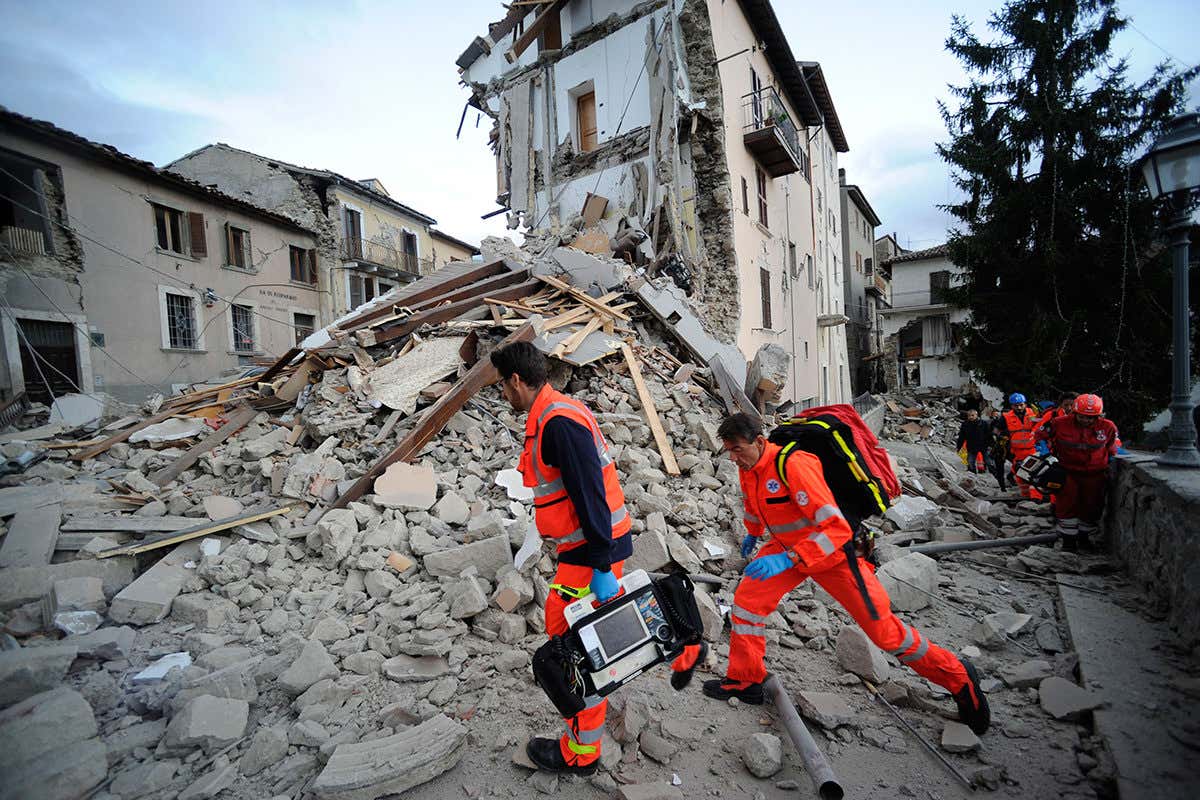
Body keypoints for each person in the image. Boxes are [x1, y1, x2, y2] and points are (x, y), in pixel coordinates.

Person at [701, 413, 990, 735]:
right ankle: (746, 680)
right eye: (729, 451)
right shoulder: (749, 467)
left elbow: (836, 528)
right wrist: (754, 532)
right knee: (747, 603)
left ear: (759, 441)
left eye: (738, 449)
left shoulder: (795, 465)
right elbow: (754, 504)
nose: (734, 457)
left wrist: (791, 559)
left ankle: (958, 677)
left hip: (834, 555)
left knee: (885, 633)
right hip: (786, 549)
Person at [490, 341, 635, 775]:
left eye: (502, 386)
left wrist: (603, 565)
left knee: (572, 643)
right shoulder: (555, 413)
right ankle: (585, 731)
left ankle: (581, 752)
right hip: (587, 547)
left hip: (594, 551)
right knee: (575, 637)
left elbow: (590, 494)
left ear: (517, 381)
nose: (502, 395)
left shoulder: (558, 424)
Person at [1035, 393, 1118, 552]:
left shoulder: (1107, 427)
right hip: (1068, 472)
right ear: (1075, 413)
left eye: (1091, 417)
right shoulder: (1059, 423)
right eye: (1082, 417)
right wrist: (1045, 453)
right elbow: (1039, 436)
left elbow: (1113, 447)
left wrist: (1111, 462)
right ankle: (1069, 541)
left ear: (1098, 416)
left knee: (1092, 506)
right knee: (1067, 504)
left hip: (1095, 474)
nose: (1086, 420)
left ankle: (1084, 539)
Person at [995, 393, 1042, 499]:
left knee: (1035, 474)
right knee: (1020, 475)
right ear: (1011, 406)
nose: (1019, 407)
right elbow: (997, 430)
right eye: (1016, 405)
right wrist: (1002, 437)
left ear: (1025, 404)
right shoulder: (1006, 417)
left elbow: (1041, 425)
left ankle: (1036, 498)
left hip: (1033, 450)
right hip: (1017, 452)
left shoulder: (1033, 413)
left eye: (1021, 405)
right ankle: (1026, 496)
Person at [956, 409, 993, 475]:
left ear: (976, 415)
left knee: (989, 462)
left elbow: (989, 435)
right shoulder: (965, 424)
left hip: (983, 446)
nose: (971, 417)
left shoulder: (983, 423)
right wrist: (959, 447)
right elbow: (961, 437)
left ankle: (995, 474)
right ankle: (972, 476)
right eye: (969, 416)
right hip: (971, 447)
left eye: (972, 415)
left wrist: (991, 445)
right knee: (970, 462)